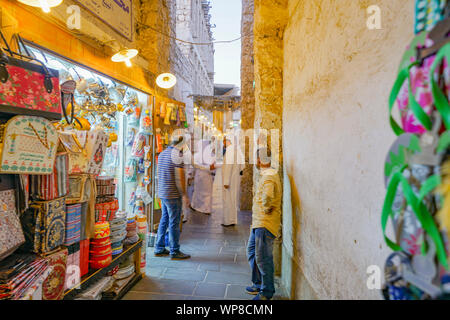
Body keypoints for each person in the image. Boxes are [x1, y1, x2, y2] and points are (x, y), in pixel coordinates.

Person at [246, 147, 282, 300]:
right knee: (252, 252)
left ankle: (266, 292)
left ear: (260, 160)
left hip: (265, 224)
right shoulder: (268, 174)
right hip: (258, 223)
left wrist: (267, 207)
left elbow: (267, 196)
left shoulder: (268, 176)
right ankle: (258, 283)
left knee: (263, 258)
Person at [154, 135, 191, 260]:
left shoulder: (162, 154)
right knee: (174, 222)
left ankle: (159, 248)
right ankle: (174, 251)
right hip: (173, 194)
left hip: (163, 192)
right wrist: (185, 195)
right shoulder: (177, 156)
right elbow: (179, 178)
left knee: (164, 219)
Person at [221, 135, 245, 227]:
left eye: (224, 141)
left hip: (230, 180)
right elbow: (242, 166)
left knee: (228, 200)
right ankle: (232, 220)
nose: (223, 143)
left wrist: (226, 182)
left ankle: (228, 221)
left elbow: (228, 166)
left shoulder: (230, 150)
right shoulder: (236, 150)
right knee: (233, 199)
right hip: (234, 178)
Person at [191, 140, 215, 214]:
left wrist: (191, 175)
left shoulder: (196, 155)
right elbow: (213, 167)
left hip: (199, 175)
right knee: (207, 193)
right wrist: (208, 169)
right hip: (207, 176)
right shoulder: (211, 155)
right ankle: (206, 209)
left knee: (197, 192)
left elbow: (193, 166)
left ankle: (195, 206)